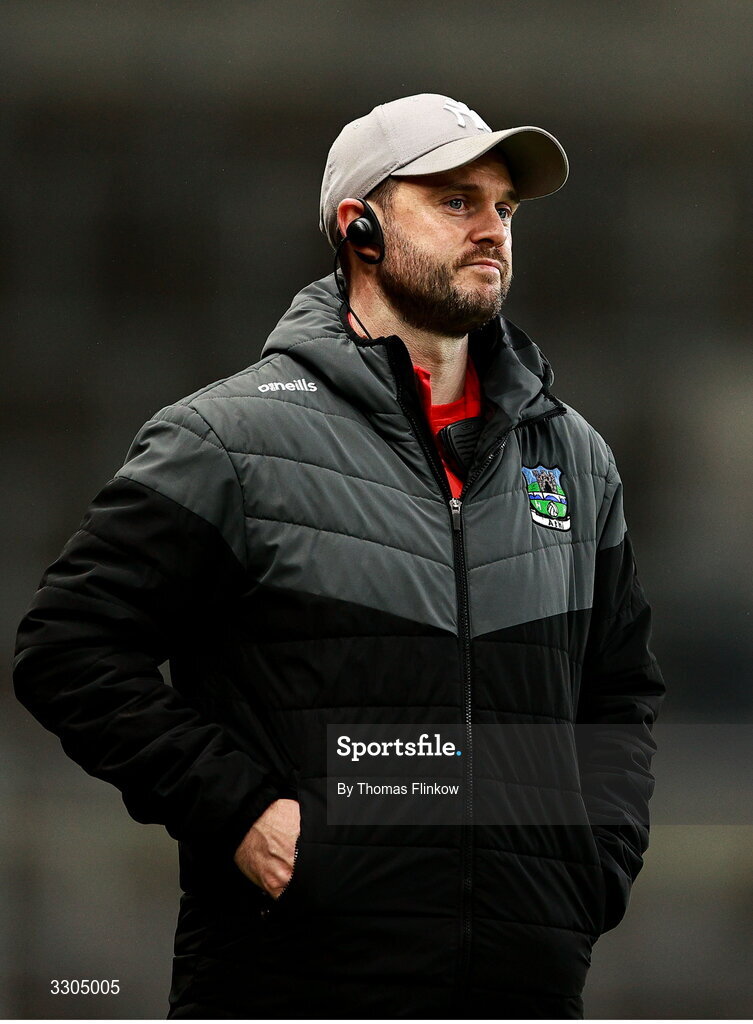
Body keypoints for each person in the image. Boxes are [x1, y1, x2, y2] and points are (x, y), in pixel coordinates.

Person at [14, 93, 665, 1019]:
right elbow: (67, 647)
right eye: (454, 201)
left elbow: (621, 690)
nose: (491, 229)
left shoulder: (573, 459)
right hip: (291, 981)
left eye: (503, 208)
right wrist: (242, 814)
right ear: (358, 227)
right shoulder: (227, 439)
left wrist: (589, 870)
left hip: (525, 987)